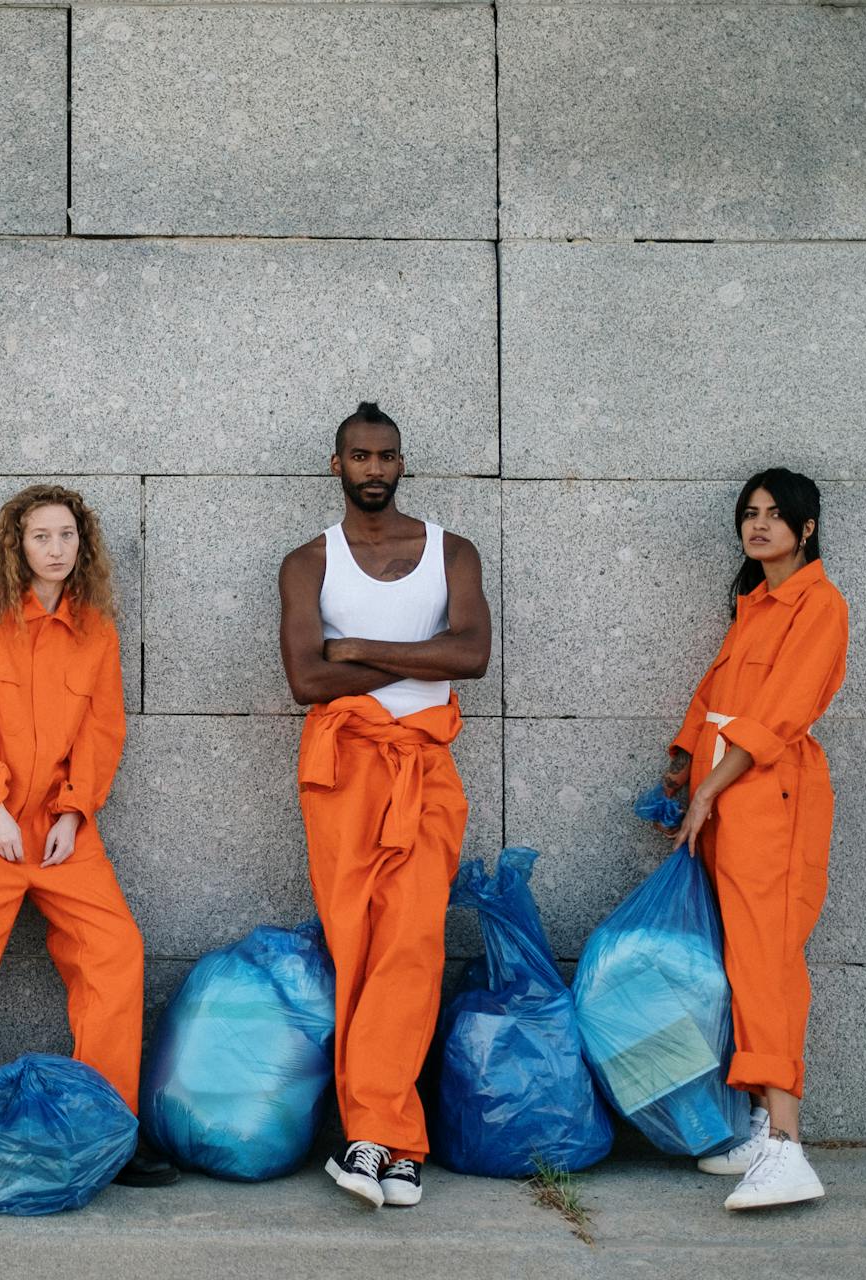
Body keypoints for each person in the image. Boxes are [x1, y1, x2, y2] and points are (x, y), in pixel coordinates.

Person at [0, 484, 177, 1208]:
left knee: (114, 954)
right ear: (15, 545)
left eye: (67, 536)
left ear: (83, 546)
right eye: (41, 536)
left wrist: (77, 810)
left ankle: (108, 1127)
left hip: (57, 828)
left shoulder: (95, 630)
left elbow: (102, 731)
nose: (55, 548)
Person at [278, 401, 491, 1209]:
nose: (374, 469)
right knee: (356, 944)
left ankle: (378, 1138)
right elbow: (306, 681)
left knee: (413, 945)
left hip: (424, 772)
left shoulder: (451, 552)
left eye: (387, 456)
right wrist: (415, 663)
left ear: (403, 463)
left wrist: (361, 649)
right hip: (341, 775)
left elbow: (470, 655)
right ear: (336, 466)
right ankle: (386, 1140)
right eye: (360, 457)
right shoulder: (309, 563)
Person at [660, 468, 847, 1211]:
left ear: (806, 529)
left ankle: (787, 1148)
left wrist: (710, 786)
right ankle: (763, 1127)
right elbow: (716, 699)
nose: (759, 524)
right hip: (728, 803)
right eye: (749, 513)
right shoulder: (756, 606)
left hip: (771, 802)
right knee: (740, 962)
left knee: (767, 960)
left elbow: (777, 716)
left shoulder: (820, 607)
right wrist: (683, 763)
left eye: (776, 515)